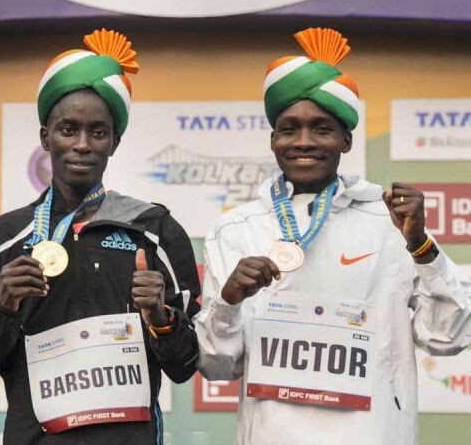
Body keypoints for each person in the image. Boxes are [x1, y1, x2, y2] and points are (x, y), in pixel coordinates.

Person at [194, 27, 471, 445]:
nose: (304, 142)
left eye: (322, 129)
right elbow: (217, 366)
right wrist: (228, 302)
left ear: (347, 140)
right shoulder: (236, 230)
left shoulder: (390, 224)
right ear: (273, 139)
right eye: (289, 129)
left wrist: (422, 248)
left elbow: (448, 337)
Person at [0, 29, 201, 444]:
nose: (82, 145)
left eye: (97, 132)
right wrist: (4, 306)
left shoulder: (155, 230)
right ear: (45, 137)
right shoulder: (2, 240)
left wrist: (161, 319)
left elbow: (185, 365)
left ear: (114, 142)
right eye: (68, 129)